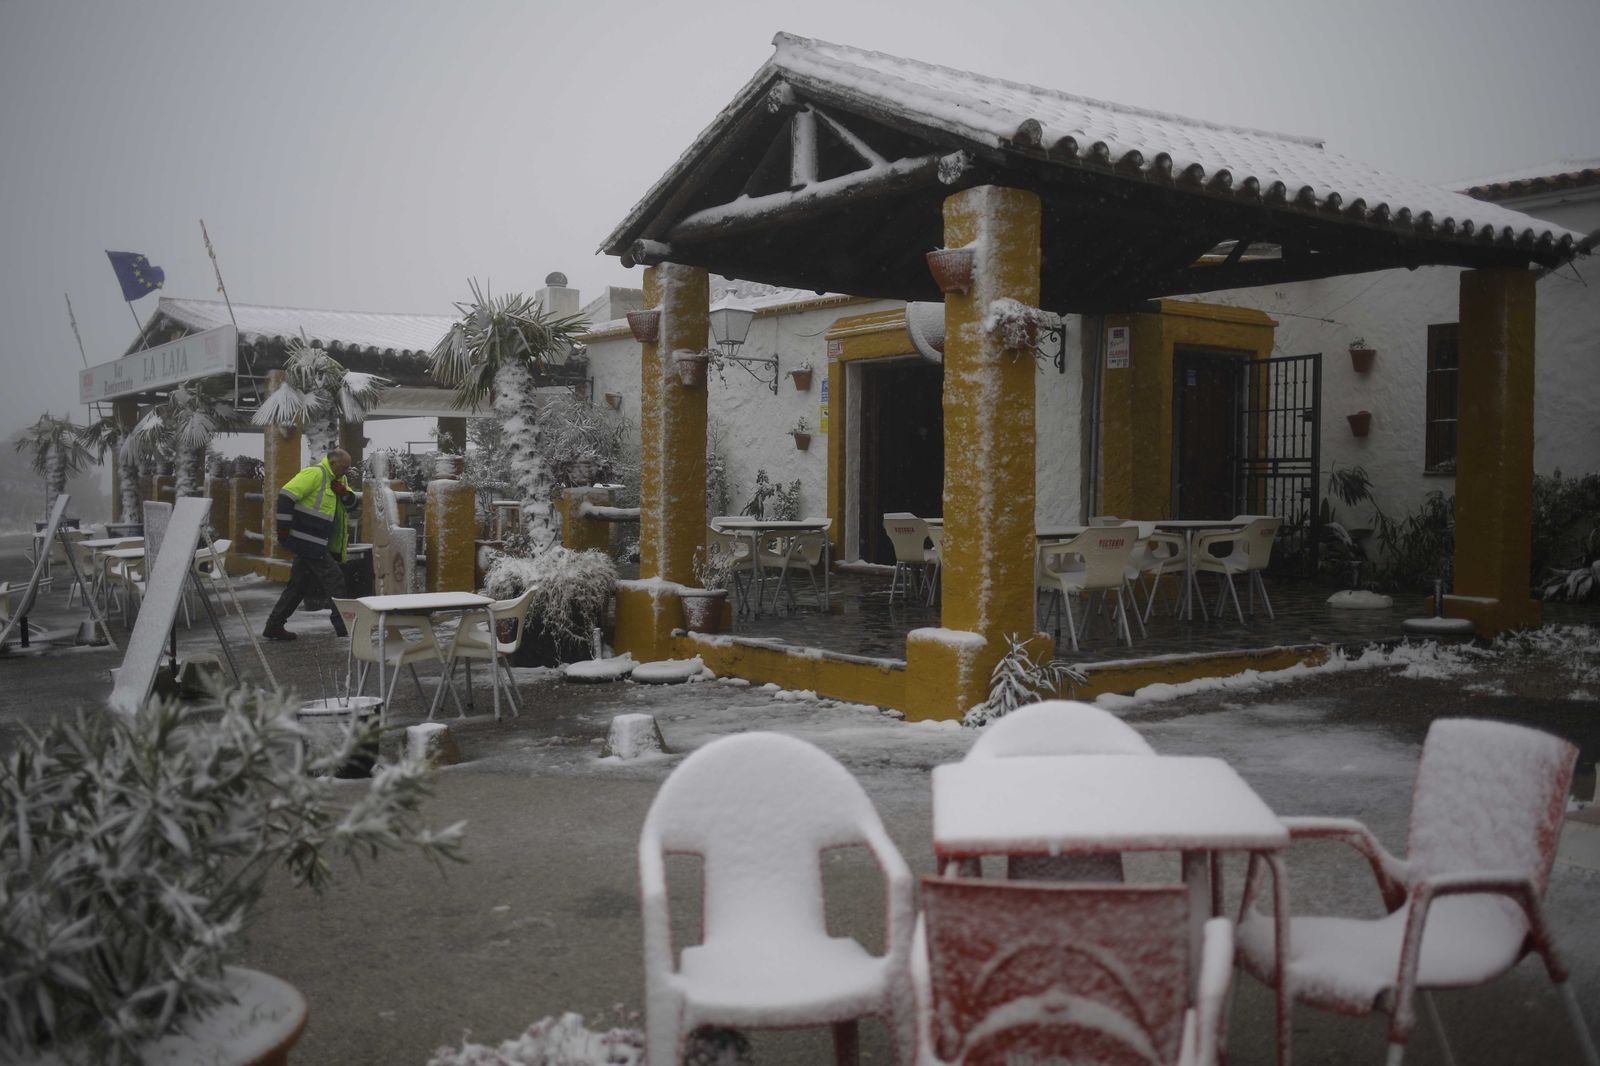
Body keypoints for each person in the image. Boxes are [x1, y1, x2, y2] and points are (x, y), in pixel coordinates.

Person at [263, 447, 356, 641]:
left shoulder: (340, 480)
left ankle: (274, 625)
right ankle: (344, 628)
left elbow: (352, 506)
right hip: (308, 541)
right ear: (333, 463)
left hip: (320, 542)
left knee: (298, 585)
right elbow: (286, 496)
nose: (347, 470)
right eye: (344, 466)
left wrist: (344, 494)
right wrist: (283, 529)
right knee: (335, 580)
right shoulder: (315, 474)